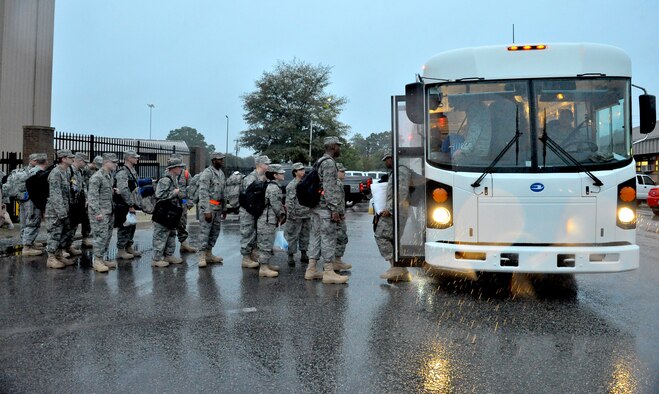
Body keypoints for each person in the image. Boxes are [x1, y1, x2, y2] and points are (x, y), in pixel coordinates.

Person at [305, 136, 349, 284]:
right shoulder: (329, 163)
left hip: (316, 207)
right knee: (328, 237)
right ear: (332, 146)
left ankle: (311, 269)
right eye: (338, 146)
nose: (339, 148)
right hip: (325, 208)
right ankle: (329, 271)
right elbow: (330, 188)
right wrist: (334, 209)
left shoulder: (319, 161)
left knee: (315, 237)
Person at [374, 153, 411, 282]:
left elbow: (401, 192)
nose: (386, 163)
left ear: (392, 158)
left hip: (396, 211)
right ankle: (403, 271)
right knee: (394, 239)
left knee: (381, 235)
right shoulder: (399, 170)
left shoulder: (400, 170)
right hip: (399, 210)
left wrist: (389, 209)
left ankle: (396, 266)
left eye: (386, 160)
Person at [87, 153, 119, 273]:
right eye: (114, 162)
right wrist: (97, 212)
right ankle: (97, 261)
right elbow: (92, 197)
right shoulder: (97, 177)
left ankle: (102, 258)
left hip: (108, 211)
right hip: (100, 212)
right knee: (100, 237)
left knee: (107, 236)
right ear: (106, 162)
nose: (116, 164)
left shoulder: (108, 176)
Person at [151, 157, 185, 268]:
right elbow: (159, 195)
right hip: (163, 213)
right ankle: (156, 259)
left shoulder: (174, 178)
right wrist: (173, 193)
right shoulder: (165, 180)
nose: (181, 169)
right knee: (160, 235)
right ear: (173, 168)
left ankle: (168, 255)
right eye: (179, 167)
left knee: (171, 233)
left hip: (171, 213)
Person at [45, 149, 76, 269]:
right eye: (70, 157)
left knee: (62, 234)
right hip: (55, 212)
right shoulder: (55, 173)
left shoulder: (67, 171)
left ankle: (58, 255)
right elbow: (55, 195)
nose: (72, 159)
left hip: (65, 209)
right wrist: (62, 213)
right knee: (54, 234)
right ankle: (51, 258)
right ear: (63, 158)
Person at [239, 155, 271, 269]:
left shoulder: (262, 177)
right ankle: (246, 258)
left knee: (255, 234)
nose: (268, 166)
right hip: (248, 210)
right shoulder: (251, 178)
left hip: (256, 210)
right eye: (266, 164)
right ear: (260, 164)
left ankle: (253, 254)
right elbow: (249, 197)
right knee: (247, 233)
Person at [197, 152, 227, 268]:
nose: (222, 161)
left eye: (222, 159)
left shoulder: (221, 173)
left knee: (215, 232)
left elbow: (224, 192)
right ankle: (201, 256)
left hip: (218, 208)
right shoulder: (207, 173)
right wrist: (206, 210)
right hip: (209, 207)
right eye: (219, 159)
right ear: (213, 160)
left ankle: (209, 253)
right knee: (205, 232)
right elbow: (203, 193)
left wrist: (224, 208)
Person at [256, 164, 287, 278]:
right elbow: (276, 205)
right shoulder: (273, 187)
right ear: (274, 175)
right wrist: (281, 215)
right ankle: (263, 268)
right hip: (267, 219)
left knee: (267, 241)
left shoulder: (269, 185)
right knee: (265, 243)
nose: (283, 175)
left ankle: (266, 264)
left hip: (267, 218)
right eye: (281, 173)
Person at [114, 149, 142, 259]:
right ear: (128, 158)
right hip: (124, 204)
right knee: (124, 226)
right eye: (135, 157)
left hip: (131, 203)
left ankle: (128, 246)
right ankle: (121, 249)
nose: (137, 159)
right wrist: (130, 204)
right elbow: (124, 189)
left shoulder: (132, 170)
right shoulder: (122, 172)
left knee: (132, 225)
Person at [20, 153, 48, 256]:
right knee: (33, 222)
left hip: (26, 200)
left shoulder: (29, 170)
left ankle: (29, 243)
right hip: (32, 202)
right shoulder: (37, 172)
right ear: (45, 161)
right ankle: (27, 247)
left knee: (27, 222)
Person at [62, 152, 89, 257]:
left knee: (74, 225)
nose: (85, 164)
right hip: (69, 203)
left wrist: (86, 198)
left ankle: (69, 245)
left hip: (78, 203)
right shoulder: (69, 171)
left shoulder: (80, 172)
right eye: (84, 162)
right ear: (79, 161)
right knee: (67, 226)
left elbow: (83, 186)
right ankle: (62, 248)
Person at [284, 162, 310, 266]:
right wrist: (291, 215)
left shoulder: (305, 183)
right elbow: (289, 202)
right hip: (295, 215)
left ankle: (304, 254)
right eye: (301, 170)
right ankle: (290, 256)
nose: (303, 171)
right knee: (292, 236)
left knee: (305, 235)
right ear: (295, 172)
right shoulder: (292, 185)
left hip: (306, 214)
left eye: (303, 169)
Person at [171, 153, 197, 254]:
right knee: (170, 225)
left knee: (182, 223)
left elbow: (191, 189)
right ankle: (168, 248)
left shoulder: (186, 174)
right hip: (171, 202)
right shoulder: (167, 173)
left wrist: (189, 202)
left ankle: (184, 244)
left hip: (183, 202)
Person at [334, 163, 351, 272]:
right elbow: (337, 200)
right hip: (337, 216)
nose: (344, 173)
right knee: (340, 237)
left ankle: (337, 260)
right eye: (342, 171)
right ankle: (336, 261)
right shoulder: (336, 183)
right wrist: (340, 214)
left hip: (338, 215)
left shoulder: (337, 183)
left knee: (340, 238)